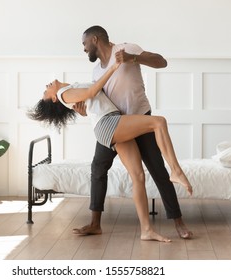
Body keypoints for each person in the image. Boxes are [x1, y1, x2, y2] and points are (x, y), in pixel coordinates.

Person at [28, 60, 192, 242]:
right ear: (53, 98)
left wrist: (85, 109)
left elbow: (92, 99)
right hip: (109, 124)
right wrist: (113, 68)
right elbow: (92, 91)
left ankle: (146, 230)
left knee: (138, 176)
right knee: (158, 122)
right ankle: (176, 171)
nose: (46, 86)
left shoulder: (70, 90)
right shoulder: (63, 93)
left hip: (113, 122)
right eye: (45, 92)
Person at [73, 25, 193, 239]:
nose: (83, 49)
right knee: (97, 169)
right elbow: (98, 102)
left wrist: (132, 58)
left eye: (84, 44)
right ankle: (95, 223)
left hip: (140, 119)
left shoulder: (127, 48)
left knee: (158, 171)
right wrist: (83, 111)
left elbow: (161, 62)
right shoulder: (96, 71)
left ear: (95, 39)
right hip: (115, 126)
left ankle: (179, 222)